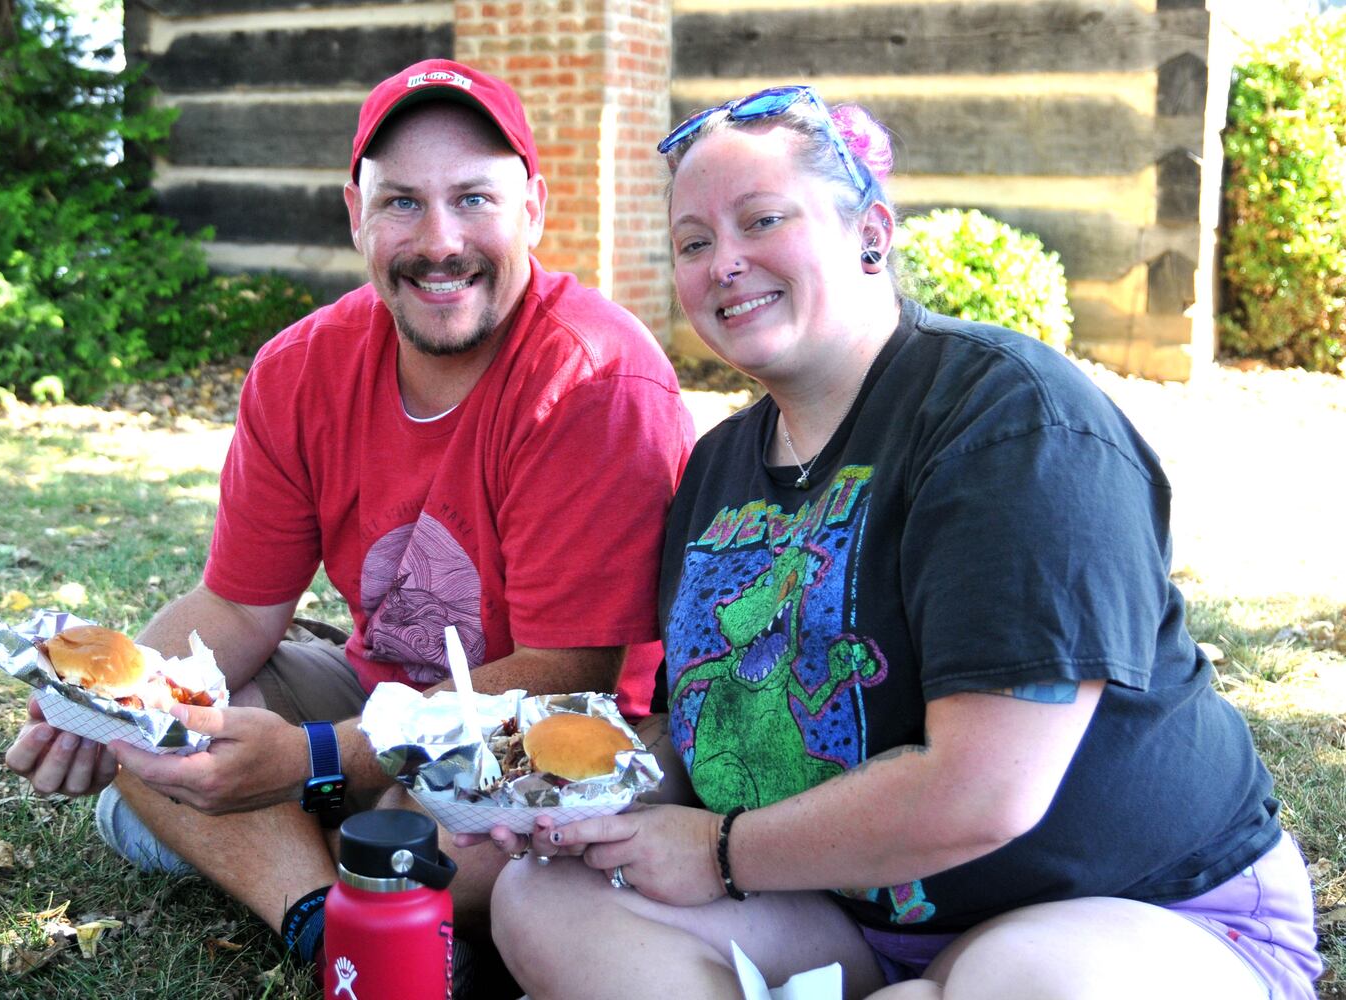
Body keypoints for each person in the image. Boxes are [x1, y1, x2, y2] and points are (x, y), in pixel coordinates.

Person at [467, 86, 1325, 999]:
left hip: (1135, 915)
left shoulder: (1008, 422)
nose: (724, 263)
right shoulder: (717, 468)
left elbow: (984, 793)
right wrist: (568, 787)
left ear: (870, 232)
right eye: (693, 242)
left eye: (760, 220)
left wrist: (719, 854)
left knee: (1020, 980)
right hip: (851, 917)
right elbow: (704, 727)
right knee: (543, 898)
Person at [2, 57, 694, 986]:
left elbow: (569, 670)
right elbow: (239, 608)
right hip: (379, 696)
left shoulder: (595, 377)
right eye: (401, 202)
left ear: (532, 207)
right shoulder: (300, 368)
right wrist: (104, 710)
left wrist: (313, 762)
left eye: (474, 199)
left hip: (547, 735)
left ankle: (306, 839)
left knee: (467, 824)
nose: (439, 240)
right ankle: (330, 925)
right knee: (160, 727)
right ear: (354, 213)